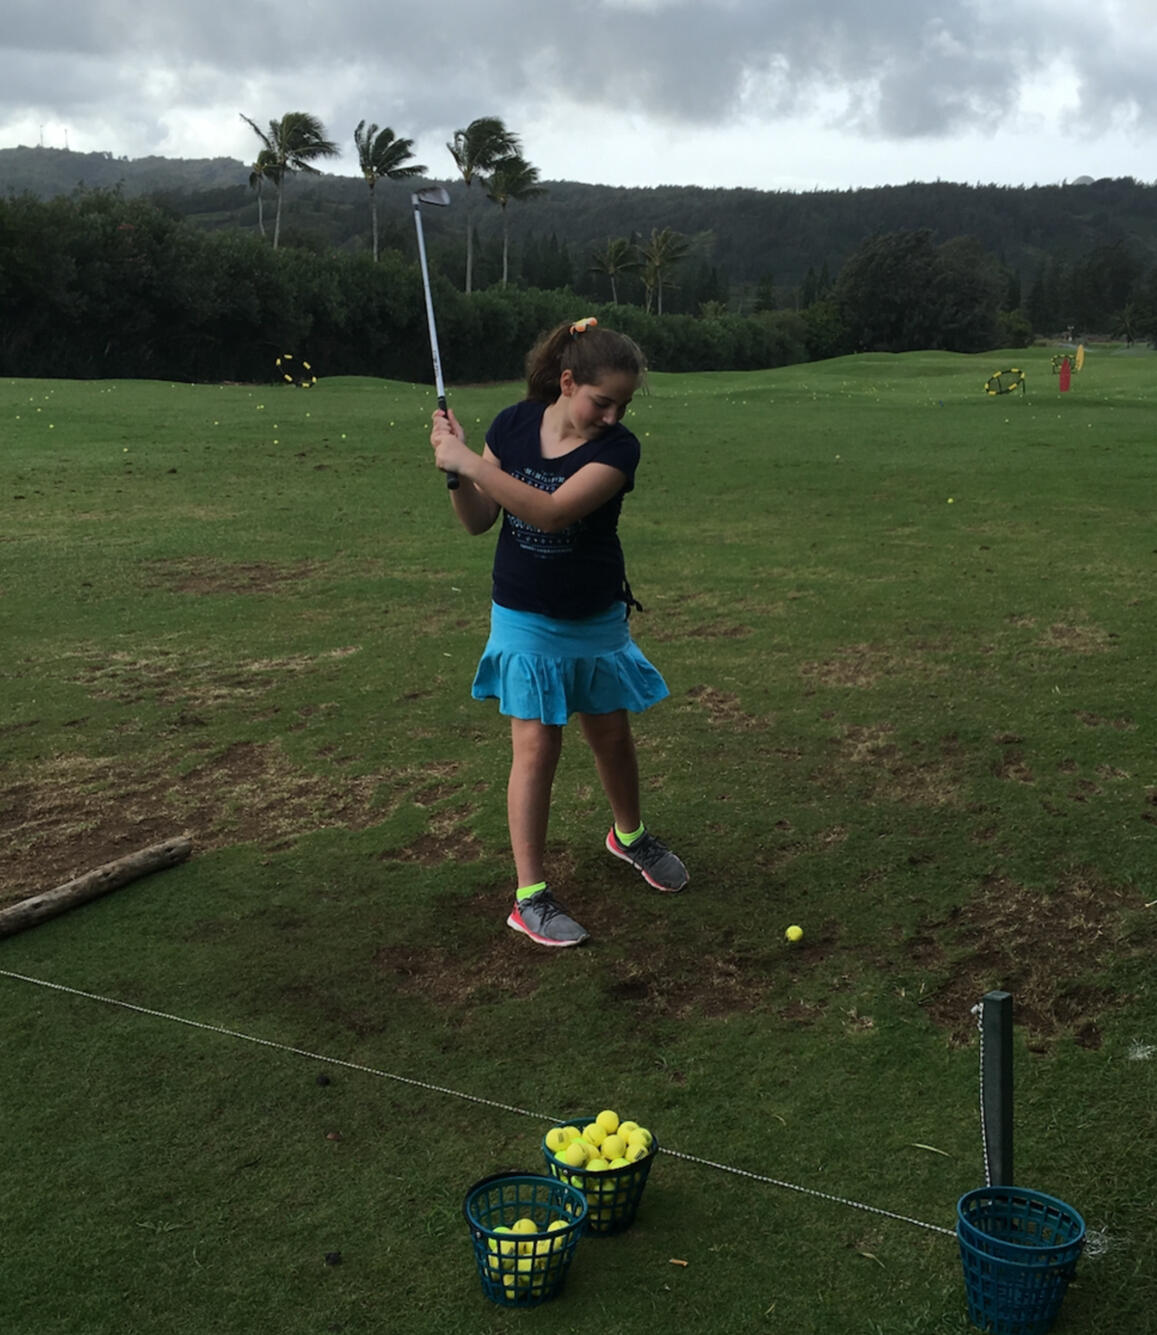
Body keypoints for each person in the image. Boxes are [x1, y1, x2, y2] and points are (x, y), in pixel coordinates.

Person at [429, 316, 688, 947]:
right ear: (568, 383)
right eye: (603, 401)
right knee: (537, 748)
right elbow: (478, 521)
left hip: (595, 614)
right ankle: (530, 897)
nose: (613, 415)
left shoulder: (618, 451)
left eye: (622, 405)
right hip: (524, 615)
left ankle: (627, 836)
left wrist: (469, 459)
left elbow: (548, 514)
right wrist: (457, 472)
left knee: (611, 734)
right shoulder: (514, 425)